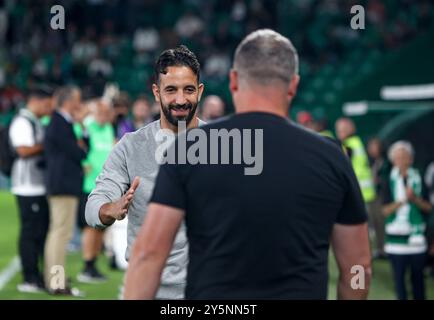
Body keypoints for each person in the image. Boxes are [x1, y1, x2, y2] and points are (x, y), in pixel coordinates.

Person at [124, 29, 371, 300]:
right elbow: (358, 268)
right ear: (293, 84)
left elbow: (149, 255)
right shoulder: (332, 157)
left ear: (233, 81)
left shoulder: (188, 149)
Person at [85, 45, 206, 299]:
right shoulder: (130, 146)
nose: (181, 99)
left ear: (200, 92)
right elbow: (94, 205)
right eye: (171, 90)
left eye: (189, 90)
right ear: (156, 92)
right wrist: (110, 209)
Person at [44, 85, 87, 296]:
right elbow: (78, 153)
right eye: (77, 100)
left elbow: (82, 148)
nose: (80, 105)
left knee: (60, 233)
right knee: (61, 234)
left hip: (62, 186)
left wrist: (82, 127)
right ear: (68, 102)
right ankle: (56, 282)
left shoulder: (62, 123)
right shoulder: (59, 123)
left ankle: (55, 278)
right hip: (63, 186)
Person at [9, 85, 53, 293]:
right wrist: (48, 145)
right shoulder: (22, 122)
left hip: (37, 185)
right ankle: (29, 278)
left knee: (40, 232)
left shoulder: (35, 121)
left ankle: (39, 276)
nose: (48, 108)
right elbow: (23, 150)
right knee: (31, 233)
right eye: (46, 104)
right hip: (27, 186)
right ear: (35, 101)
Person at [382, 141, 432, 300]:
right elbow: (384, 210)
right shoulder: (387, 180)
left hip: (417, 239)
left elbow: (429, 207)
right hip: (396, 240)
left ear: (411, 159)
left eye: (405, 156)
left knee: (418, 280)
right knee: (399, 280)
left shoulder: (419, 177)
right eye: (398, 157)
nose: (402, 160)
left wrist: (414, 199)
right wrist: (403, 200)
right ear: (393, 160)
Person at [75, 99, 115, 283]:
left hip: (106, 186)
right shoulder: (87, 126)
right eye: (101, 113)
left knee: (101, 227)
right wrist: (83, 164)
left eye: (107, 113)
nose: (104, 116)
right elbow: (77, 146)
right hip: (88, 186)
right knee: (89, 227)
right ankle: (87, 265)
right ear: (95, 112)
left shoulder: (108, 129)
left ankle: (93, 264)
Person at [367, 137, 390, 259]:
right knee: (375, 222)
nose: (372, 149)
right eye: (370, 146)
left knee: (382, 223)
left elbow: (386, 180)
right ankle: (379, 248)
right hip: (372, 196)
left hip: (382, 197)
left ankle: (385, 248)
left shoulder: (385, 162)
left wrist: (379, 181)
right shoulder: (372, 162)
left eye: (374, 146)